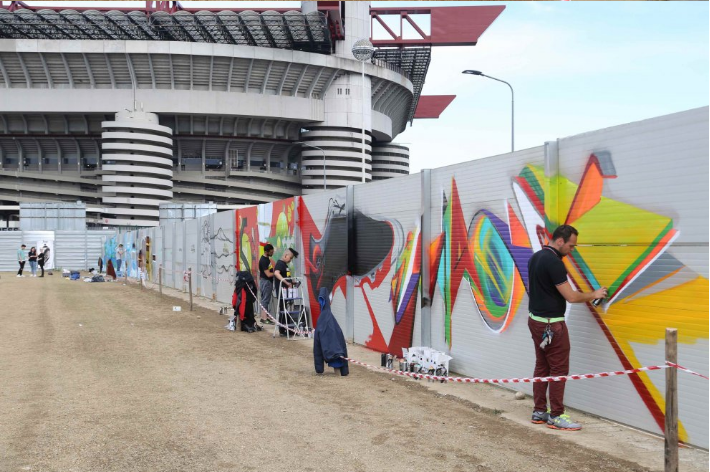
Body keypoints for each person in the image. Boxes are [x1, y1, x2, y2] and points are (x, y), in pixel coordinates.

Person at [527, 225, 607, 431]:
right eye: (571, 246)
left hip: (536, 321)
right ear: (560, 241)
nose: (573, 250)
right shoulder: (554, 262)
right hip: (551, 325)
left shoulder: (536, 257)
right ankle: (556, 416)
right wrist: (593, 294)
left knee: (542, 366)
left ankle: (539, 412)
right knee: (559, 369)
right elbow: (571, 297)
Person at [313, 287, 349, 376]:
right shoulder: (329, 318)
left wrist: (319, 369)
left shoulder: (323, 318)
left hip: (334, 353)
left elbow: (317, 347)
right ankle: (342, 372)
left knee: (337, 362)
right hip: (336, 352)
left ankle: (340, 372)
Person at [273, 247, 298, 336]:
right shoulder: (280, 264)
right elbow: (276, 273)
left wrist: (292, 282)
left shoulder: (284, 265)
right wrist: (286, 282)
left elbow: (284, 276)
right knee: (283, 310)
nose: (290, 260)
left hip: (287, 291)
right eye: (290, 258)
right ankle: (283, 329)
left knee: (286, 309)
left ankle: (287, 328)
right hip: (282, 292)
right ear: (285, 255)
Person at [258, 243, 275, 325]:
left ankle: (265, 316)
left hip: (265, 281)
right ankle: (264, 318)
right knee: (265, 300)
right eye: (271, 251)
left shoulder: (266, 259)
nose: (273, 253)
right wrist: (276, 273)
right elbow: (268, 274)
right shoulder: (264, 261)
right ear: (267, 251)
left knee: (265, 299)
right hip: (266, 282)